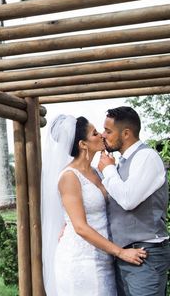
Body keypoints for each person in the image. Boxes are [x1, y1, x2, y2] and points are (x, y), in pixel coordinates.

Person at [41, 114, 147, 295]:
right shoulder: (69, 177)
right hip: (80, 261)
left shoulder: (98, 172)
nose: (102, 136)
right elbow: (80, 227)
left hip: (103, 258)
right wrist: (120, 252)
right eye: (95, 133)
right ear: (83, 144)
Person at [98, 106, 169, 296]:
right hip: (124, 255)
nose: (103, 135)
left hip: (145, 255)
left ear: (126, 133)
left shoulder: (147, 157)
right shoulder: (119, 163)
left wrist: (108, 170)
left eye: (108, 131)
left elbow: (128, 199)